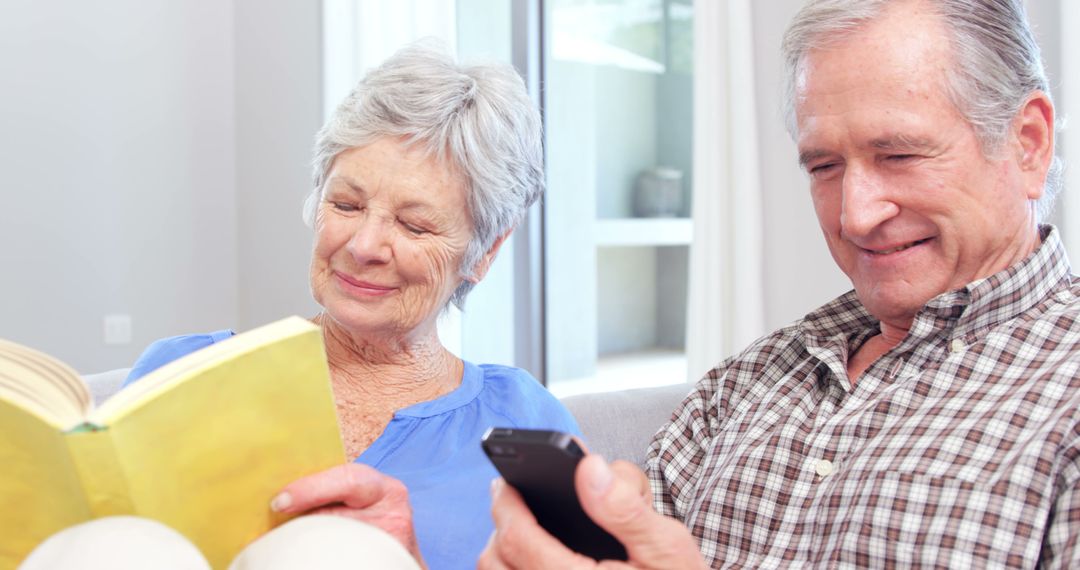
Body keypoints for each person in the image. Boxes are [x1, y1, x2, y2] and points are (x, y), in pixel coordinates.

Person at [481, 0, 1079, 567]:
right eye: (824, 166)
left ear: (1028, 143)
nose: (854, 215)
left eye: (899, 155)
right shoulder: (747, 382)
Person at [22, 42, 578, 570]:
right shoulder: (179, 373)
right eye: (346, 203)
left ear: (484, 253)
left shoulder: (524, 423)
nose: (362, 246)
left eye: (414, 224)